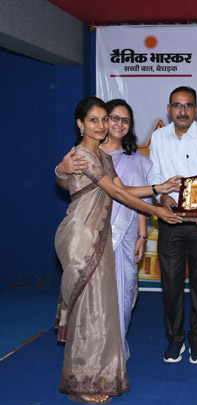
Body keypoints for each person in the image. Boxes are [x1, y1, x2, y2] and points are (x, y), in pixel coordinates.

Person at [54, 96, 182, 405]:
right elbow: (115, 193)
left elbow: (123, 189)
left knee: (99, 309)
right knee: (87, 310)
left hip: (99, 235)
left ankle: (94, 374)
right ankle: (78, 384)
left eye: (103, 119)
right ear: (80, 123)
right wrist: (158, 211)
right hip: (83, 237)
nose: (100, 125)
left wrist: (159, 188)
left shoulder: (102, 156)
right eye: (94, 120)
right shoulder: (83, 155)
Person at [57, 99, 152, 362]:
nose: (117, 124)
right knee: (93, 299)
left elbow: (134, 197)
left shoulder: (132, 159)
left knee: (122, 292)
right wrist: (60, 170)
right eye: (112, 118)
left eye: (125, 120)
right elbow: (66, 183)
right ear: (85, 123)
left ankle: (114, 353)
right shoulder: (85, 152)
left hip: (125, 233)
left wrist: (142, 234)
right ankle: (93, 359)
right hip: (89, 234)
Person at [147, 86, 197, 364]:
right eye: (177, 105)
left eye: (188, 105)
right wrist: (163, 197)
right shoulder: (158, 137)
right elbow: (154, 174)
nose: (182, 111)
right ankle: (175, 338)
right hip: (170, 219)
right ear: (169, 109)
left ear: (196, 110)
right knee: (170, 284)